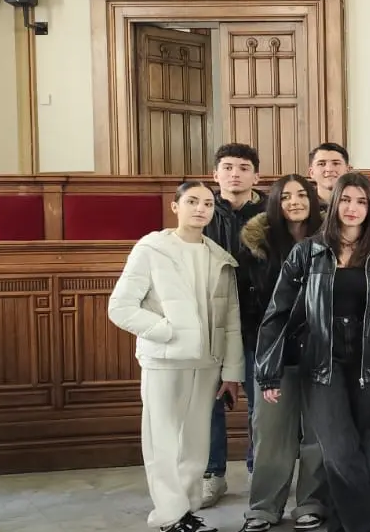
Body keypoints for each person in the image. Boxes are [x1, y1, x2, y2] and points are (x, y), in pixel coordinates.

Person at [256, 172, 370, 532]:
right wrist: (269, 369)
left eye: (361, 201)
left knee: (362, 449)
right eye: (346, 200)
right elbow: (278, 313)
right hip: (321, 363)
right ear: (334, 203)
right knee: (340, 450)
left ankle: (341, 526)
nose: (353, 208)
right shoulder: (307, 251)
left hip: (369, 364)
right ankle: (368, 526)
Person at [107, 181, 244, 532]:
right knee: (163, 440)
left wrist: (231, 371)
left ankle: (185, 511)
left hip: (207, 363)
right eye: (192, 201)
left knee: (196, 443)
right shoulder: (151, 249)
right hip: (165, 360)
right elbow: (120, 307)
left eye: (208, 204)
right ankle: (168, 514)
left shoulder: (219, 257)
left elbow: (230, 321)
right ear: (175, 206)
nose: (200, 209)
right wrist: (168, 331)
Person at [237, 175, 329, 532]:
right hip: (275, 351)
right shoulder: (257, 246)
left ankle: (311, 502)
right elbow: (246, 306)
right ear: (275, 202)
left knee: (317, 435)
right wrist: (260, 349)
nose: (294, 201)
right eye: (286, 196)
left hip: (322, 350)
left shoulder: (330, 240)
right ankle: (263, 506)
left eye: (301, 195)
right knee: (271, 434)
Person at [201, 143, 266, 508]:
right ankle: (214, 474)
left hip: (258, 320)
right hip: (214, 323)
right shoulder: (204, 208)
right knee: (210, 403)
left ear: (256, 175)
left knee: (261, 404)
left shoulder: (271, 212)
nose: (235, 174)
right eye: (227, 167)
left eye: (243, 167)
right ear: (215, 174)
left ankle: (260, 471)